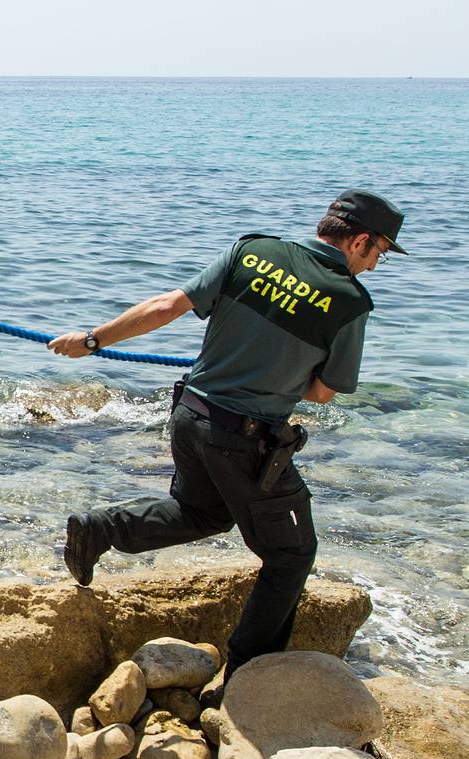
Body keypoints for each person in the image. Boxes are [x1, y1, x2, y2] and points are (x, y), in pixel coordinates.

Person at [49, 190, 406, 683]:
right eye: (380, 253)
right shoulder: (348, 301)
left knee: (205, 513)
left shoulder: (252, 250)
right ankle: (247, 671)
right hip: (245, 440)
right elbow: (323, 392)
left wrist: (92, 340)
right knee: (291, 554)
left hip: (189, 415)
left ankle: (101, 528)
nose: (375, 264)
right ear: (360, 240)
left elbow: (167, 305)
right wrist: (278, 373)